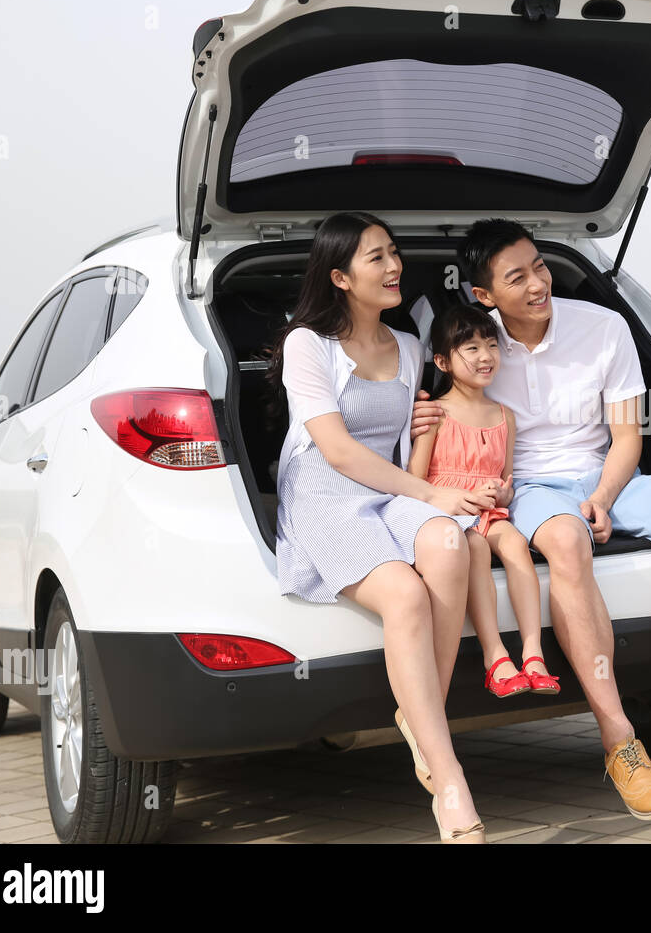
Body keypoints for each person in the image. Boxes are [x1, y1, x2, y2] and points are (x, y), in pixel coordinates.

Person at [411, 218, 651, 822]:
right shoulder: (476, 347)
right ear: (484, 295)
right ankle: (620, 740)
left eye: (539, 266)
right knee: (565, 541)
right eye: (517, 277)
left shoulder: (604, 326)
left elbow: (624, 438)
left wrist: (606, 496)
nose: (538, 283)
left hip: (606, 472)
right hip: (531, 484)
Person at [265, 211, 492, 843]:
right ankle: (448, 779)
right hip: (323, 493)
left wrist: (433, 485)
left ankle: (422, 723)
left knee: (452, 542)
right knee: (405, 593)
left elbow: (397, 451)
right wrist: (430, 493)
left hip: (386, 488)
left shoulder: (412, 347)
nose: (394, 266)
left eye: (393, 252)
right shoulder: (308, 346)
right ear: (339, 277)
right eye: (376, 257)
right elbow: (335, 451)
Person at [407, 304, 561, 699]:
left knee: (514, 544)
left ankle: (533, 653)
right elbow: (414, 483)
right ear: (442, 360)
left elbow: (506, 478)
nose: (485, 356)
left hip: (489, 511)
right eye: (471, 348)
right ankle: (495, 656)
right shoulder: (435, 414)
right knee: (473, 546)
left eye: (491, 345)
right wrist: (460, 499)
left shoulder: (504, 416)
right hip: (451, 514)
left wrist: (502, 493)